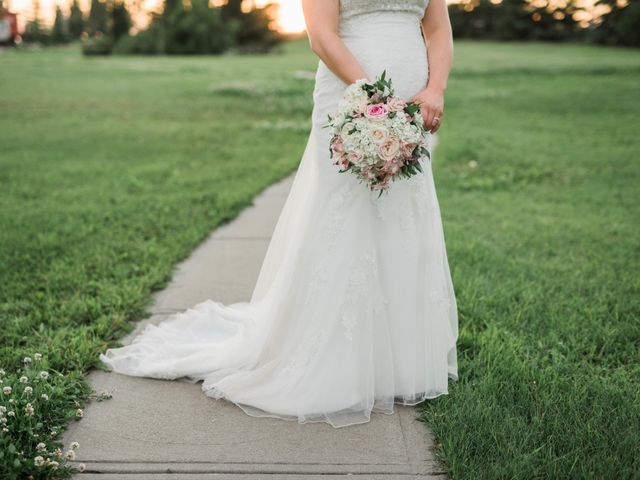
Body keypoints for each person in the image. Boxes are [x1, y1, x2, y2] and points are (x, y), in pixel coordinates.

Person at [100, 0, 459, 428]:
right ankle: (334, 362)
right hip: (351, 93)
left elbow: (437, 29)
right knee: (343, 216)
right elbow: (321, 36)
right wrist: (373, 99)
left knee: (401, 215)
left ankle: (401, 362)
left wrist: (435, 89)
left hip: (414, 101)